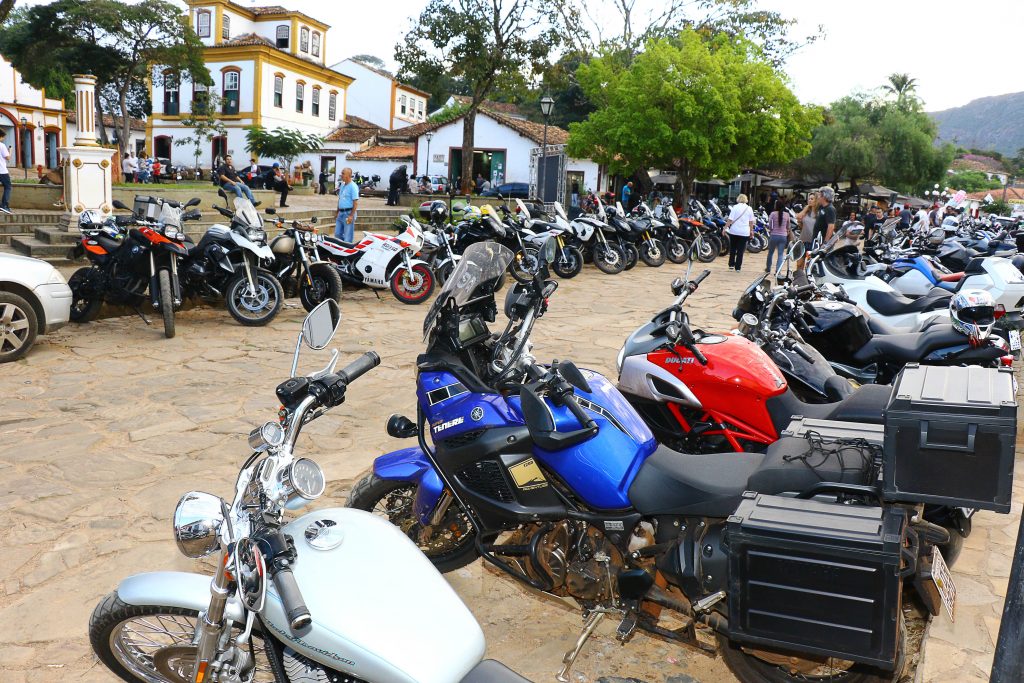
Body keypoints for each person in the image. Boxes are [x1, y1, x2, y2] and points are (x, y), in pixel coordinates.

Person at [724, 193, 755, 272]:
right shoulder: (749, 208)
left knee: (733, 248)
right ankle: (738, 267)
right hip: (744, 232)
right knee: (741, 250)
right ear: (746, 200)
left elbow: (730, 219)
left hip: (734, 231)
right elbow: (751, 221)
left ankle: (731, 265)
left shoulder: (735, 207)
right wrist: (751, 230)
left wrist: (725, 228)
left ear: (738, 199)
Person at [765, 198, 792, 275]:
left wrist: (771, 230)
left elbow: (770, 224)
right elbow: (788, 226)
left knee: (770, 253)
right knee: (780, 254)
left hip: (774, 235)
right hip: (783, 236)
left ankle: (768, 269)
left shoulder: (773, 214)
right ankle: (778, 270)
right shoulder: (787, 215)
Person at [335, 167, 359, 242]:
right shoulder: (342, 185)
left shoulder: (353, 186)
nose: (341, 175)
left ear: (348, 175)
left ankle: (347, 247)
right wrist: (337, 211)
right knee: (337, 234)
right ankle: (344, 246)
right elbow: (340, 199)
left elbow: (355, 203)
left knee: (348, 236)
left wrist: (351, 216)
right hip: (340, 213)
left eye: (343, 173)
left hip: (348, 213)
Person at [795, 191, 818, 268]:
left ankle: (807, 279)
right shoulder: (807, 211)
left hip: (813, 243)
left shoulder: (819, 213)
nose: (810, 200)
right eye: (809, 199)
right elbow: (798, 217)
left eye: (812, 199)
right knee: (799, 264)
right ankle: (799, 279)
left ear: (816, 200)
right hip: (803, 241)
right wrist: (806, 208)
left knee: (808, 266)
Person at [0, 129, 11, 215]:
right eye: (3, 137)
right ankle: (4, 206)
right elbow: (8, 158)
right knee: (8, 187)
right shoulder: (2, 145)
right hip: (2, 171)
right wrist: (10, 151)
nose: (3, 139)